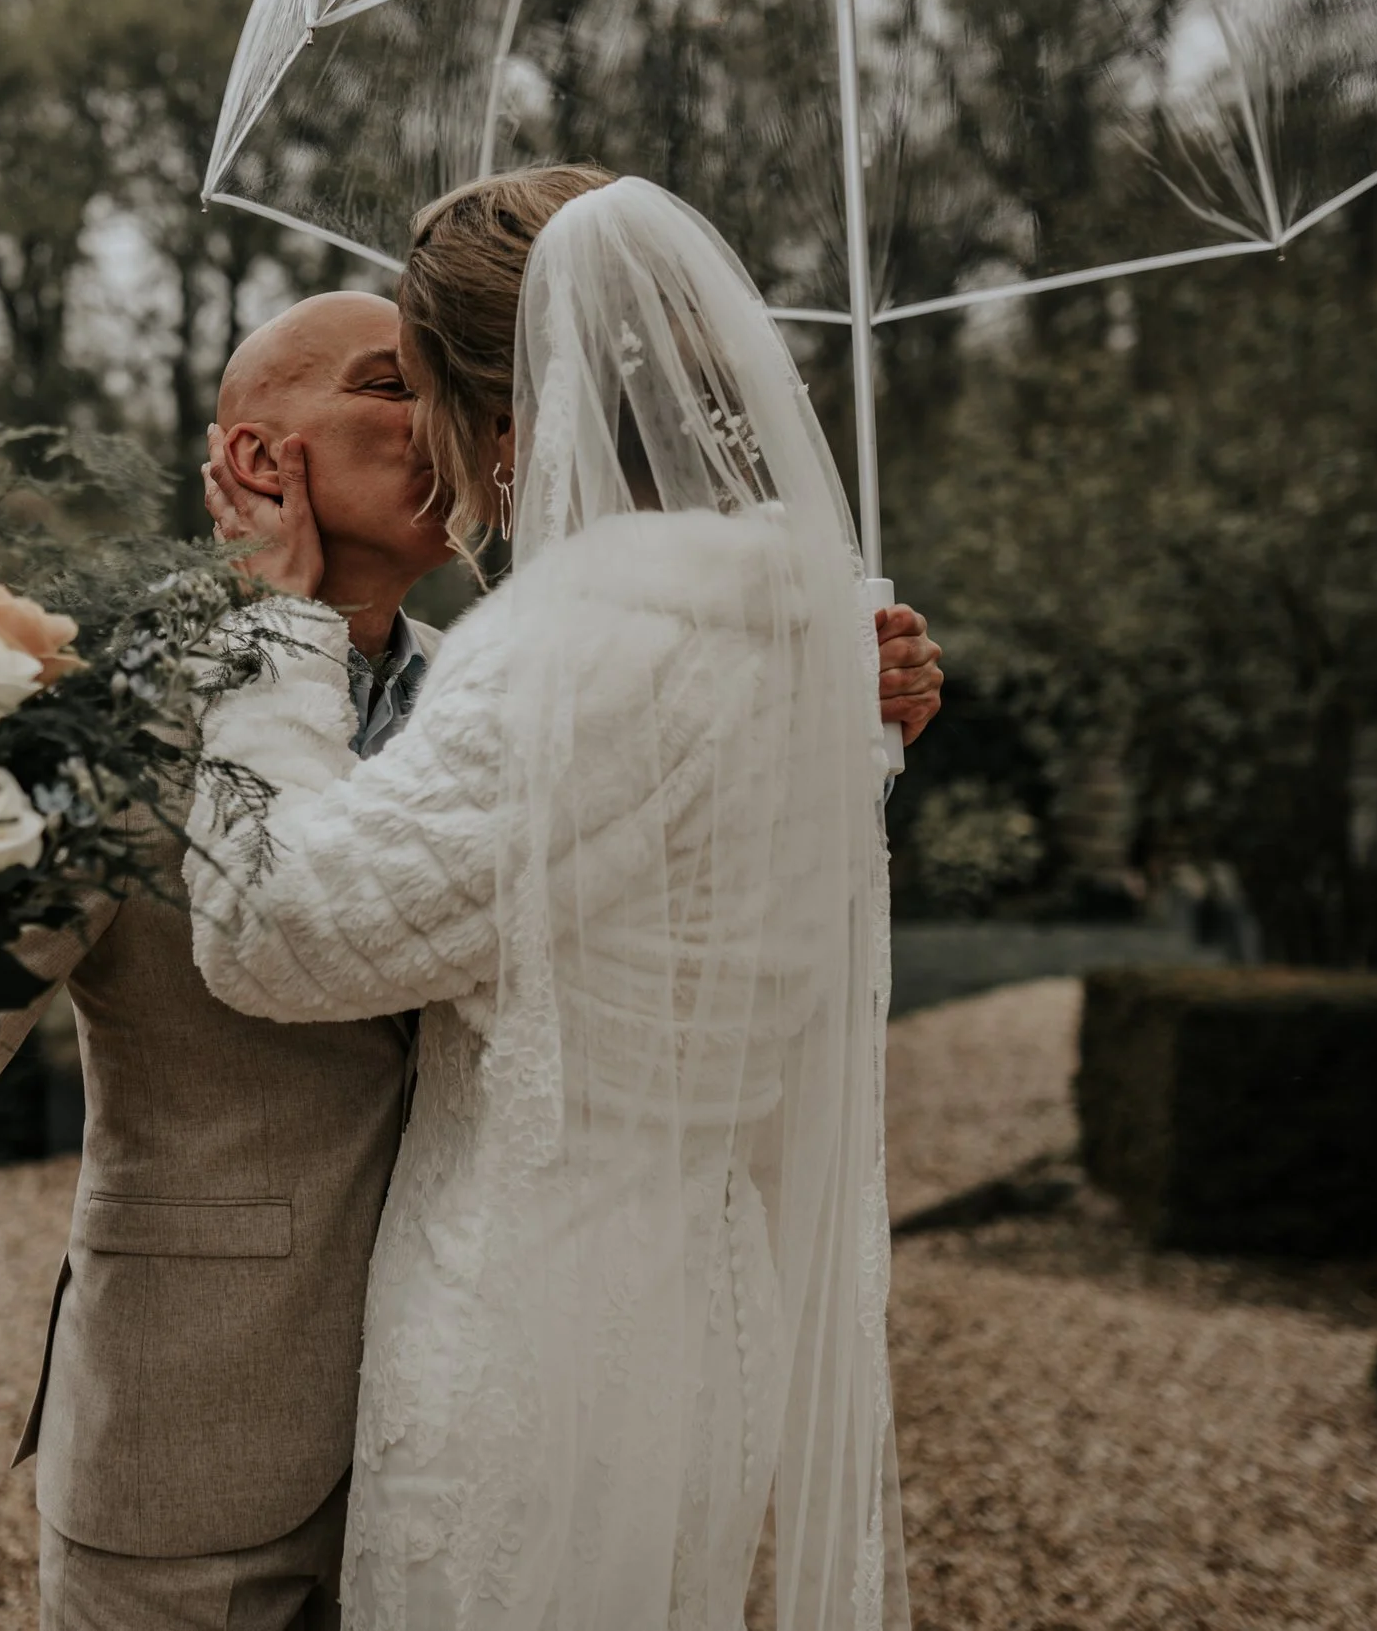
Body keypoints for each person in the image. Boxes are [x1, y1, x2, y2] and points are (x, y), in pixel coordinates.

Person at [0, 287, 944, 1631]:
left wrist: (818, 708)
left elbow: (684, 901)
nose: (449, 419)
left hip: (488, 1415)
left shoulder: (528, 693)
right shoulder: (117, 708)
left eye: (450, 387)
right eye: (392, 385)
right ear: (257, 458)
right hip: (201, 1432)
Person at [184, 168, 910, 1630]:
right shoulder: (817, 632)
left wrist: (273, 634)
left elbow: (275, 928)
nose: (425, 438)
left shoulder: (578, 644)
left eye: (423, 390)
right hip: (706, 1302)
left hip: (531, 1320)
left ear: (504, 417)